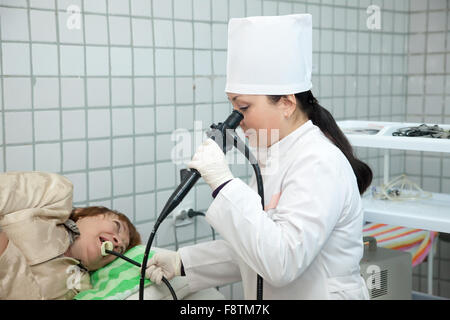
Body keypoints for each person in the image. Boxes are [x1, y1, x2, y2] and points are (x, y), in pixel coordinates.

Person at [145, 14, 373, 299]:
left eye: (243, 107)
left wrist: (223, 184)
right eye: (233, 106)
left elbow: (282, 261)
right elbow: (254, 245)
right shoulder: (274, 158)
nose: (236, 119)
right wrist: (183, 262)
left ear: (287, 103)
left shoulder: (319, 162)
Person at [0, 171, 141, 300]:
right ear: (82, 213)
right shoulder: (57, 196)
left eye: (121, 249)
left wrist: (6, 252)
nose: (117, 242)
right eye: (117, 226)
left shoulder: (80, 288)